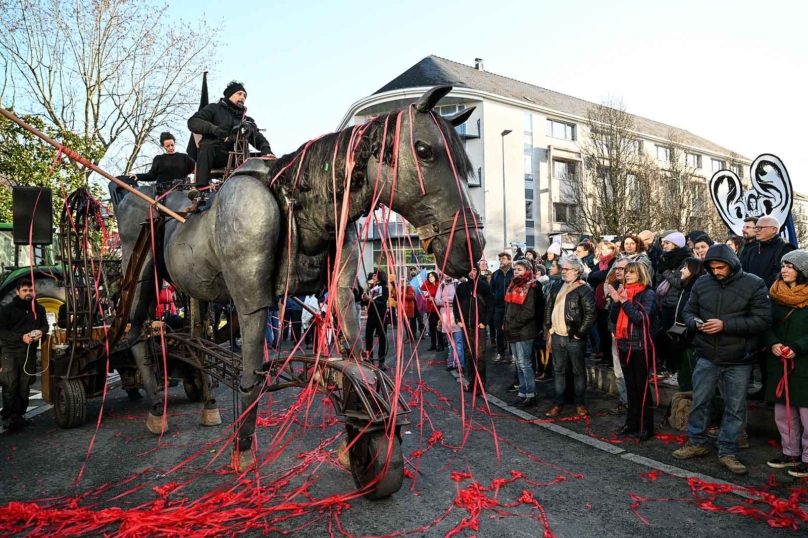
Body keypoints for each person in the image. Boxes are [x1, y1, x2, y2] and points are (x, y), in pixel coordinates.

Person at [674, 244, 772, 475]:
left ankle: (728, 450)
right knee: (699, 401)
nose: (717, 271)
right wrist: (695, 323)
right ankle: (696, 442)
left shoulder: (754, 283)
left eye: (721, 267)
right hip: (707, 354)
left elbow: (762, 320)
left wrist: (725, 325)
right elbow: (688, 311)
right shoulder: (702, 282)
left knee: (735, 407)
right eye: (712, 267)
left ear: (732, 264)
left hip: (739, 358)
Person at [764, 250, 808, 478]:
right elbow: (765, 324)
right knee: (783, 412)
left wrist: (798, 347)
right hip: (778, 362)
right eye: (783, 265)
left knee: (806, 415)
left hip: (803, 364)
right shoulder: (774, 295)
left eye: (790, 266)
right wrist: (772, 342)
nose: (784, 270)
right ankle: (789, 452)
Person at [187, 81, 274, 188]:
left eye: (245, 95)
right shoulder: (213, 108)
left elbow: (258, 137)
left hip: (238, 158)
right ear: (229, 95)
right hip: (214, 155)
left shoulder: (246, 120)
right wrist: (215, 130)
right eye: (239, 93)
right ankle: (201, 188)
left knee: (261, 160)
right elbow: (193, 121)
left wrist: (265, 149)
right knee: (206, 146)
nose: (243, 97)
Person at [607, 262, 657, 441]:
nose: (627, 275)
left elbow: (641, 319)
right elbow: (614, 318)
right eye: (626, 272)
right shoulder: (623, 292)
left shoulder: (648, 294)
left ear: (641, 274)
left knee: (642, 387)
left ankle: (646, 426)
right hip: (624, 344)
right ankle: (632, 422)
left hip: (640, 347)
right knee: (630, 387)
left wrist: (624, 302)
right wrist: (615, 303)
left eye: (631, 273)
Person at [544, 256, 597, 418]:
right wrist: (548, 328)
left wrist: (579, 333)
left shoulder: (584, 289)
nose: (563, 271)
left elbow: (591, 314)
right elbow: (549, 307)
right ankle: (559, 402)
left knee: (578, 371)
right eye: (563, 268)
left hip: (574, 337)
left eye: (566, 269)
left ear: (576, 270)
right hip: (557, 335)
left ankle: (579, 403)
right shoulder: (556, 285)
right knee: (559, 370)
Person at [0, 279, 49, 431]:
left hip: (29, 352)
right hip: (10, 352)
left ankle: (20, 415)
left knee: (25, 386)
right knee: (10, 385)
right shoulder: (7, 310)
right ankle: (8, 418)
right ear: (18, 292)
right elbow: (1, 332)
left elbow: (45, 324)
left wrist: (41, 331)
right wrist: (21, 337)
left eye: (30, 290)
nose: (28, 293)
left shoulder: (38, 309)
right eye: (25, 291)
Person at [654, 232, 693, 380]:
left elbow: (680, 283)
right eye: (663, 243)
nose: (664, 245)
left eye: (667, 243)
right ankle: (667, 365)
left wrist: (666, 272)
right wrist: (662, 270)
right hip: (665, 301)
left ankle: (674, 368)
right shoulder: (666, 258)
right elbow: (659, 279)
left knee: (673, 336)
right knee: (664, 335)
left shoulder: (686, 260)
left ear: (676, 244)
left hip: (677, 302)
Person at [504, 259, 543, 407]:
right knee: (519, 364)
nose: (516, 272)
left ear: (527, 270)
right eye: (515, 269)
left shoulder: (530, 286)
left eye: (519, 269)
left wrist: (513, 324)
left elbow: (529, 312)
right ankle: (522, 392)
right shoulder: (512, 285)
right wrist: (506, 324)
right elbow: (508, 308)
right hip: (512, 329)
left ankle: (531, 394)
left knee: (525, 363)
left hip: (524, 330)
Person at [666, 258, 706, 392]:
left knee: (693, 382)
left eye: (685, 267)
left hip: (691, 342)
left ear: (693, 270)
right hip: (682, 341)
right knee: (684, 380)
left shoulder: (697, 289)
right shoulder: (686, 287)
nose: (681, 270)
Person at [454, 266, 494, 391]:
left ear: (478, 271)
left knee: (479, 355)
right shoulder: (461, 287)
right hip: (466, 327)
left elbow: (491, 305)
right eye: (470, 270)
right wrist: (458, 320)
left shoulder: (484, 286)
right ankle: (472, 382)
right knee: (469, 355)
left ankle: (481, 382)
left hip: (479, 326)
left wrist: (485, 322)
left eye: (474, 270)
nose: (472, 273)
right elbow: (456, 305)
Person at [740, 215, 796, 288]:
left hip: (772, 295)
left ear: (774, 230)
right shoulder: (751, 250)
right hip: (750, 294)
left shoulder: (785, 249)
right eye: (756, 227)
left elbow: (781, 275)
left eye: (760, 228)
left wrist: (757, 287)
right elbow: (743, 272)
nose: (756, 230)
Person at [605, 258, 630, 415]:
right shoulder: (614, 287)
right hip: (617, 335)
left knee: (631, 374)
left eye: (623, 268)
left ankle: (633, 404)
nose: (619, 271)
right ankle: (625, 401)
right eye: (617, 268)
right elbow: (612, 315)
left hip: (632, 337)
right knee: (619, 373)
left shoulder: (640, 290)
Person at [586, 241, 617, 367]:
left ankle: (610, 357)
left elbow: (606, 275)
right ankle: (604, 355)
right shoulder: (600, 263)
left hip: (608, 300)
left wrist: (597, 276)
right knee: (601, 330)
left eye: (607, 249)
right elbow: (590, 276)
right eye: (602, 249)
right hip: (598, 300)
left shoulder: (614, 262)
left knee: (608, 330)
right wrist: (598, 276)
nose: (604, 251)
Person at [131, 132, 195, 190]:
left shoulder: (184, 157)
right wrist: (138, 176)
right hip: (161, 192)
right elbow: (152, 175)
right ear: (163, 146)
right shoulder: (158, 159)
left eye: (172, 145)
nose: (171, 148)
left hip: (181, 191)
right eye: (168, 146)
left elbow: (197, 169)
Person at [436, 274, 464, 373]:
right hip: (445, 317)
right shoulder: (441, 285)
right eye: (444, 273)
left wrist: (445, 300)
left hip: (456, 316)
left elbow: (460, 299)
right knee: (450, 343)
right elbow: (437, 300)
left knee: (458, 342)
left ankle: (460, 364)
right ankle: (452, 363)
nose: (446, 275)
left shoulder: (458, 283)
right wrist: (450, 300)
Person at [362, 271, 389, 370]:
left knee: (382, 339)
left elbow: (382, 302)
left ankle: (381, 361)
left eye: (375, 275)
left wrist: (371, 299)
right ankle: (369, 359)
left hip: (381, 316)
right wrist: (364, 300)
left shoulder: (385, 289)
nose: (373, 277)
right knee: (368, 337)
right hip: (371, 316)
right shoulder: (372, 288)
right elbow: (368, 303)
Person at [491, 252, 514, 363]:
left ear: (509, 260)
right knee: (499, 331)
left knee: (511, 330)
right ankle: (500, 353)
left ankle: (512, 354)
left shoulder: (514, 273)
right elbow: (492, 290)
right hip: (499, 306)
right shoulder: (496, 274)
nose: (501, 260)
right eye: (500, 259)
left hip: (511, 306)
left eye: (503, 258)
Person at [420, 271, 445, 351]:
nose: (431, 278)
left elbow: (442, 295)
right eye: (429, 277)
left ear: (435, 277)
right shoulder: (427, 284)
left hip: (438, 308)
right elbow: (422, 289)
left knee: (438, 327)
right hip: (430, 308)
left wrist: (434, 299)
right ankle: (433, 344)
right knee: (431, 327)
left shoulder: (439, 284)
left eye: (432, 276)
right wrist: (428, 296)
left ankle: (441, 344)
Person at [398, 278, 417, 343]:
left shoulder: (409, 288)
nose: (402, 282)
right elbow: (395, 298)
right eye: (401, 281)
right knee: (405, 325)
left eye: (403, 281)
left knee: (409, 324)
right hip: (402, 309)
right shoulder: (400, 288)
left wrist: (402, 294)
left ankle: (411, 337)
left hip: (408, 308)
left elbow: (411, 297)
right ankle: (408, 337)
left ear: (406, 282)